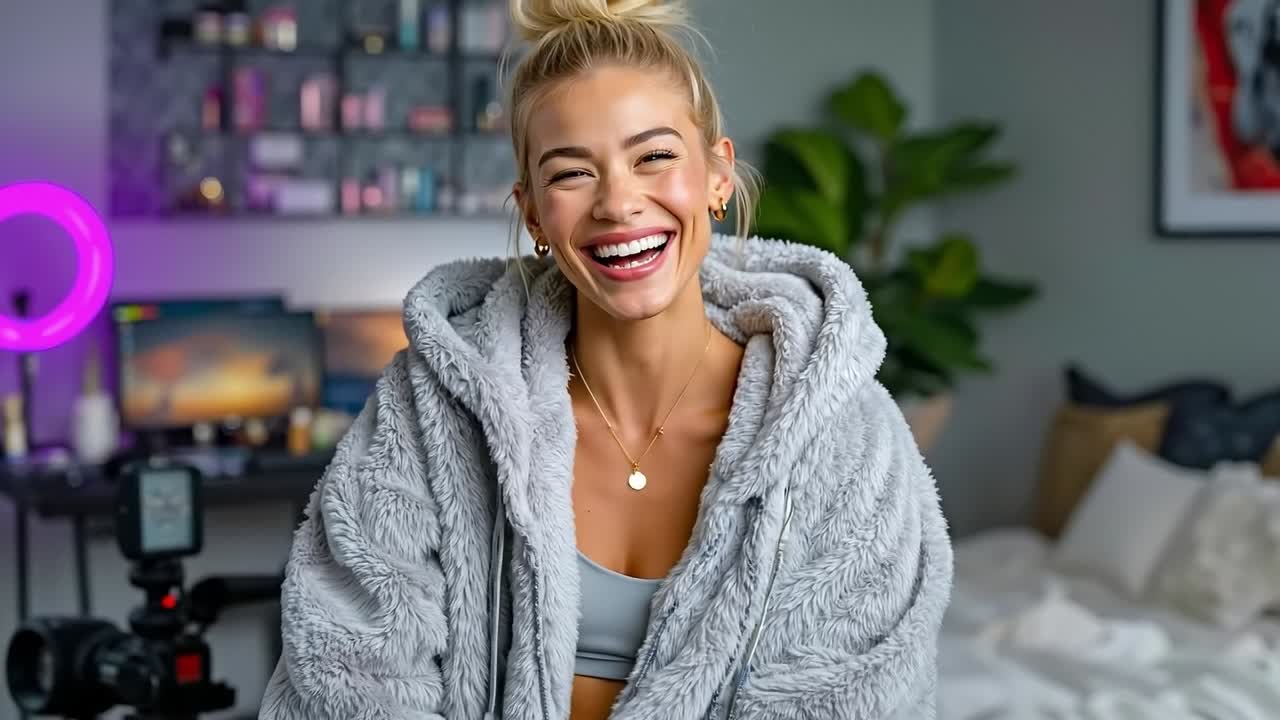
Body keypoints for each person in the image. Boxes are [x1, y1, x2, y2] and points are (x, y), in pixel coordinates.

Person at [259, 0, 953, 718]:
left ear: (717, 175)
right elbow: (349, 673)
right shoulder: (430, 409)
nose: (619, 203)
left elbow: (855, 696)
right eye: (571, 174)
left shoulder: (845, 435)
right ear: (532, 213)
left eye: (654, 156)